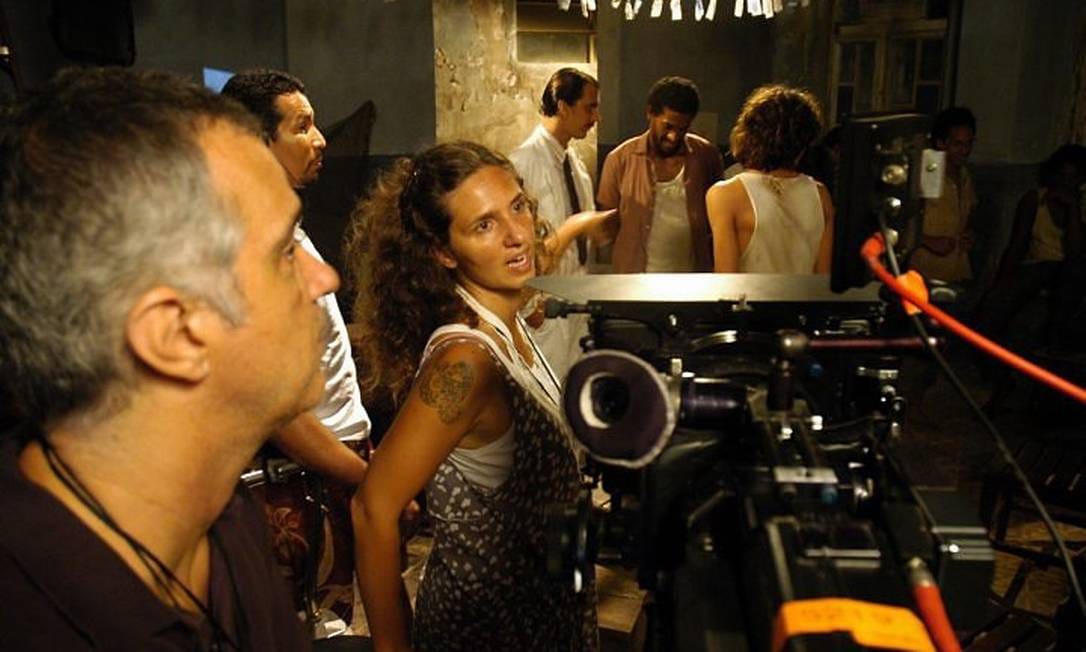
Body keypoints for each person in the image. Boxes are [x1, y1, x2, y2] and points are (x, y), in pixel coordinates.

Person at [0, 68, 322, 650]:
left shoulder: (221, 513)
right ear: (175, 334)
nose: (325, 279)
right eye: (285, 253)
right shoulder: (33, 620)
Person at [345, 142, 609, 651]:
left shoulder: (507, 324)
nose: (517, 234)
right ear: (444, 252)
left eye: (518, 206)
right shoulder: (466, 362)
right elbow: (371, 510)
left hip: (545, 617)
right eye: (484, 225)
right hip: (485, 632)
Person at [222, 69, 371, 482]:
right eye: (302, 127)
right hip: (311, 471)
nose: (320, 140)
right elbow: (277, 409)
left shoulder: (286, 228)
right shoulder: (249, 244)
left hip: (341, 452)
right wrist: (364, 479)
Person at [508, 67, 600, 381]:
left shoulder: (574, 164)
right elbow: (517, 242)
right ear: (563, 106)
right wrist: (527, 305)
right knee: (548, 389)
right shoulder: (524, 162)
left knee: (575, 387)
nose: (595, 117)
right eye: (589, 107)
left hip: (576, 297)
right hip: (544, 304)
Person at [597, 75, 724, 273]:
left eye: (682, 129)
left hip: (694, 281)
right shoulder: (620, 159)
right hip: (635, 280)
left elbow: (719, 219)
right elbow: (607, 224)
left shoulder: (706, 156)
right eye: (668, 126)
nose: (673, 136)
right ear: (650, 113)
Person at [706, 84, 834, 274]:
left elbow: (726, 280)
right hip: (805, 295)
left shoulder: (725, 195)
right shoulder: (820, 194)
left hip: (749, 295)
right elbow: (822, 278)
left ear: (750, 133)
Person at [910, 106, 978, 284]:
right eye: (958, 144)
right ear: (941, 143)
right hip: (924, 272)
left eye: (969, 143)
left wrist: (969, 234)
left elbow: (969, 211)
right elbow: (900, 222)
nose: (965, 150)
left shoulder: (964, 175)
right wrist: (928, 241)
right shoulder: (928, 172)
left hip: (956, 271)